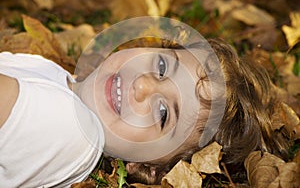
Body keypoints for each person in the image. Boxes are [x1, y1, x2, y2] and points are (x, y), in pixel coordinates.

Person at [0, 18, 296, 186]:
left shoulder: (71, 129)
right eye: (162, 68)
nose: (142, 85)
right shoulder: (52, 73)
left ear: (151, 168)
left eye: (164, 113)